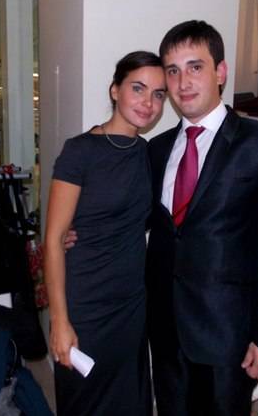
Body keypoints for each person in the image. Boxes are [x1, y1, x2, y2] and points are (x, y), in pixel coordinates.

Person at [145, 20, 258, 415]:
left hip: (229, 340)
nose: (183, 82)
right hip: (166, 333)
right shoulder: (156, 149)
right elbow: (148, 225)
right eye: (173, 71)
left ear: (220, 72)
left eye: (195, 66)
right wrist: (82, 234)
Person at [44, 51, 167, 415]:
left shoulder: (148, 153)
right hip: (86, 304)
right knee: (85, 402)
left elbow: (142, 219)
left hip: (131, 304)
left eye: (158, 94)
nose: (148, 103)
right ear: (115, 90)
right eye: (138, 88)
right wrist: (59, 320)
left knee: (130, 401)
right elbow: (53, 240)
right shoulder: (80, 151)